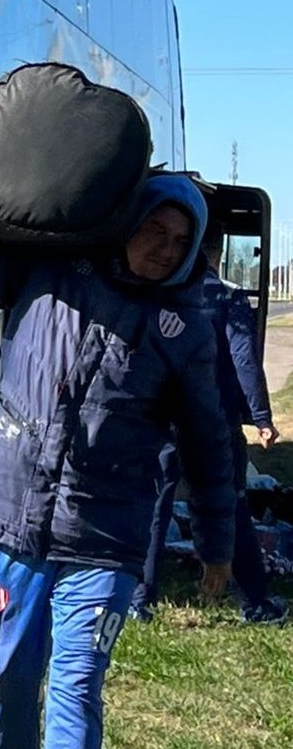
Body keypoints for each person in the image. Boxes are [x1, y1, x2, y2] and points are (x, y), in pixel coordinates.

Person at [0, 110, 238, 749]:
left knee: (77, 680)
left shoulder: (185, 329)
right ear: (125, 222)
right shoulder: (51, 273)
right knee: (11, 675)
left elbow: (207, 442)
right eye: (154, 228)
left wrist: (216, 542)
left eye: (180, 239)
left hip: (104, 534)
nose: (165, 247)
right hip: (14, 517)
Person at [131, 220, 287, 624]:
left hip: (162, 418)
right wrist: (261, 417)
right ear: (217, 255)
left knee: (155, 506)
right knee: (229, 503)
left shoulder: (158, 293)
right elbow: (244, 361)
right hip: (213, 420)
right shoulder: (230, 299)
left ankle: (138, 602)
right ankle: (253, 601)